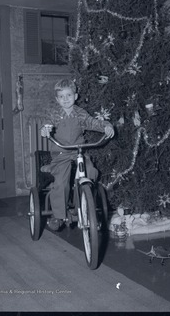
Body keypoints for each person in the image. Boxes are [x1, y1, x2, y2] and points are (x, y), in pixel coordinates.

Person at [41, 78, 115, 230]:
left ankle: (83, 200)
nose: (66, 99)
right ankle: (59, 215)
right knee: (60, 182)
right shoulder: (55, 114)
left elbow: (92, 122)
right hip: (61, 152)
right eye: (61, 96)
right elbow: (47, 125)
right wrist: (45, 130)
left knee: (91, 171)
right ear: (57, 99)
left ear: (75, 96)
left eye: (69, 95)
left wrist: (106, 126)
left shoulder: (80, 113)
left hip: (78, 151)